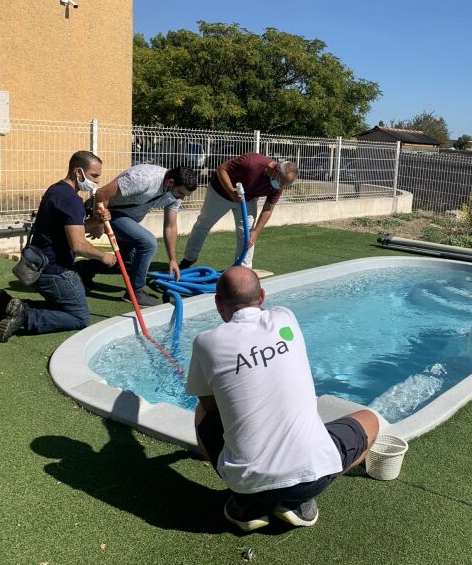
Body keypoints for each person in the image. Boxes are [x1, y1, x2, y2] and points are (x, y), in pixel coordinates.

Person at [186, 266, 379, 531]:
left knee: (200, 412)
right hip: (314, 476)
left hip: (247, 482)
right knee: (370, 421)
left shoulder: (206, 342)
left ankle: (246, 505)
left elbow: (209, 406)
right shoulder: (286, 318)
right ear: (262, 296)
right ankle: (297, 502)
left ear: (218, 304)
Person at [0, 151, 118, 342]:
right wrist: (104, 257)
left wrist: (95, 221)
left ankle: (4, 304)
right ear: (79, 172)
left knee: (64, 307)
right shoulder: (71, 200)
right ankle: (26, 317)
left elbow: (69, 228)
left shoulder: (56, 190)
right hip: (56, 271)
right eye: (94, 176)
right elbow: (78, 245)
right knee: (79, 317)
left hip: (37, 266)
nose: (97, 181)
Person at [78, 164, 198, 307]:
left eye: (185, 195)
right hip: (109, 212)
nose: (182, 198)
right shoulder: (144, 179)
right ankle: (135, 291)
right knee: (148, 243)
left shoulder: (174, 194)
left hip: (126, 218)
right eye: (180, 193)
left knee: (132, 263)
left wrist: (172, 259)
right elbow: (101, 194)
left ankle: (83, 269)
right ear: (171, 182)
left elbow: (170, 226)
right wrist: (98, 222)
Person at [180, 153, 297, 270]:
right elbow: (221, 169)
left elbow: (268, 209)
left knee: (248, 235)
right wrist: (231, 191)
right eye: (282, 182)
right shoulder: (251, 162)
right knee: (204, 224)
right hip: (220, 192)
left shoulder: (278, 186)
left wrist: (256, 231)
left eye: (285, 184)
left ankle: (243, 269)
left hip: (248, 200)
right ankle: (189, 259)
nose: (281, 186)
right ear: (276, 170)